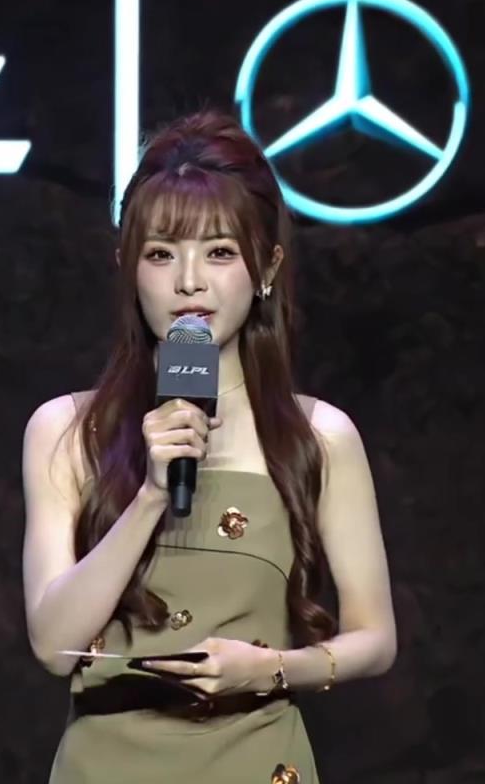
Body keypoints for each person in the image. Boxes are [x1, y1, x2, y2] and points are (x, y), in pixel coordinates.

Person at [20, 111, 398, 783]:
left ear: (266, 267)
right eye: (161, 254)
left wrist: (274, 668)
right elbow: (53, 645)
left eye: (219, 252)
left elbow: (375, 638)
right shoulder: (66, 431)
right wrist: (151, 494)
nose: (189, 281)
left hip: (256, 757)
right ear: (126, 266)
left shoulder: (318, 438)